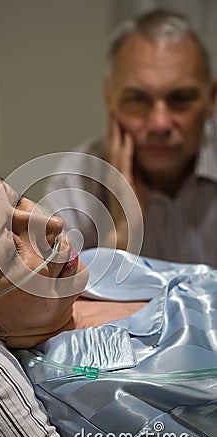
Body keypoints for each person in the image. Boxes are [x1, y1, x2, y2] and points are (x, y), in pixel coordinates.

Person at [0, 137, 216, 437]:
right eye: (11, 249)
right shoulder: (89, 397)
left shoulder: (98, 263)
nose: (53, 222)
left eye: (17, 200)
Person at [45, 8, 217, 266]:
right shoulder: (77, 181)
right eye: (138, 99)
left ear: (212, 98)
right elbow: (51, 301)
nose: (160, 124)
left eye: (180, 98)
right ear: (109, 97)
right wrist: (122, 234)